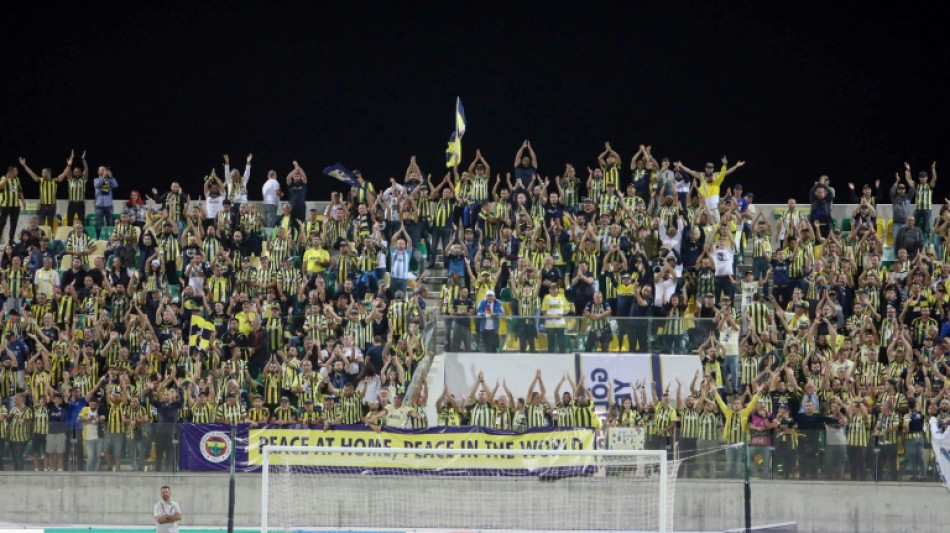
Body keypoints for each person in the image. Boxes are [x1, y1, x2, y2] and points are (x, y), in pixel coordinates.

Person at [93, 164, 118, 235]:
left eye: (105, 170)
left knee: (110, 223)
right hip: (99, 205)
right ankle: (98, 238)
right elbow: (97, 185)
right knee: (99, 224)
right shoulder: (96, 180)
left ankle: (110, 238)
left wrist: (111, 177)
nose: (104, 171)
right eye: (102, 170)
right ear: (98, 172)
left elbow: (116, 185)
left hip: (109, 205)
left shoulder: (109, 180)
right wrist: (104, 176)